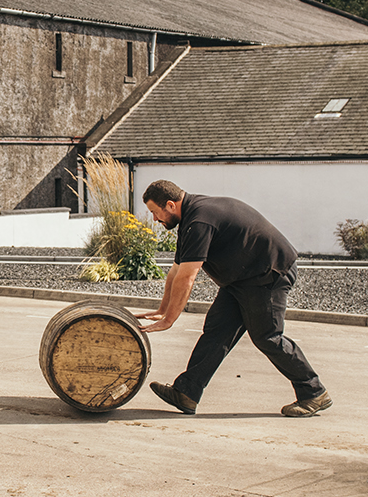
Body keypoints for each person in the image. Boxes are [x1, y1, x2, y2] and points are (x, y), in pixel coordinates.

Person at [133, 179, 332, 417]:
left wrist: (169, 321)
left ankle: (314, 393)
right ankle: (186, 392)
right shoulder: (189, 220)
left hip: (268, 273)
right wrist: (162, 309)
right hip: (241, 279)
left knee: (267, 336)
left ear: (170, 205)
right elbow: (176, 270)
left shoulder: (199, 220)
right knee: (216, 331)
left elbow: (188, 277)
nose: (155, 219)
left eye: (155, 213)